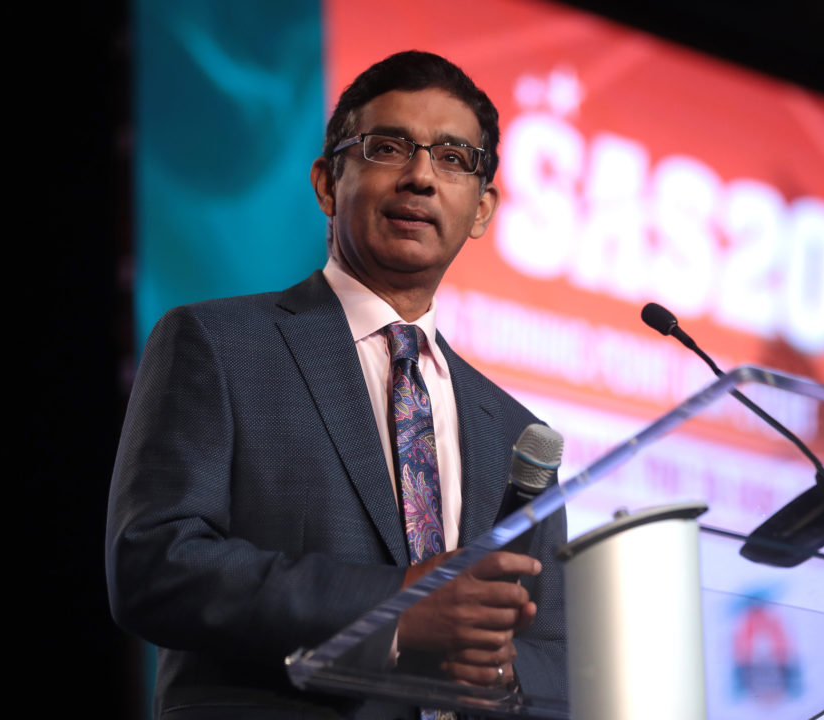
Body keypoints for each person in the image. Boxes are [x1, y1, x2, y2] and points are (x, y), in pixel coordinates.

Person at [106, 50, 566, 719]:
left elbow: (556, 650)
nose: (420, 177)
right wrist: (400, 611)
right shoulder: (219, 345)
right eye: (388, 147)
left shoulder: (519, 433)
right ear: (327, 182)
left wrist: (499, 667)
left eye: (454, 158)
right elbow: (155, 564)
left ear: (482, 210)